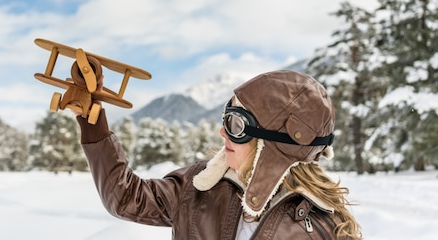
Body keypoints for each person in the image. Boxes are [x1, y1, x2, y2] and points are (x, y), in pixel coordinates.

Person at [75, 70, 362, 240]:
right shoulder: (199, 187)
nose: (222, 133)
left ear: (276, 147)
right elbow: (125, 198)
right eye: (227, 117)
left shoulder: (323, 229)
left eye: (237, 125)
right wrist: (92, 121)